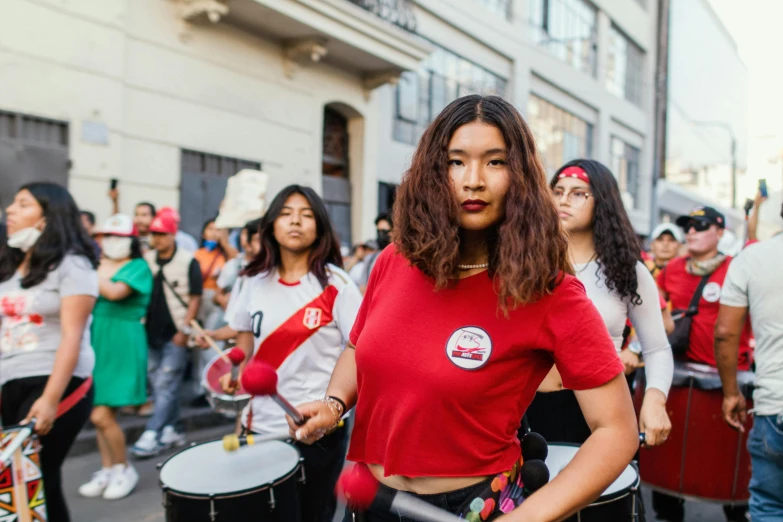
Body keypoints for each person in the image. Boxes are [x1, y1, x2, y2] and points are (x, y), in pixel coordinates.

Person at [289, 96, 638, 521]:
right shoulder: (393, 261)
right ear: (433, 173)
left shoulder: (551, 291)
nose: (473, 180)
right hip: (371, 497)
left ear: (521, 176)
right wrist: (333, 404)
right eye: (456, 162)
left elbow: (617, 432)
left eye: (495, 162)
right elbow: (358, 349)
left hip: (473, 507)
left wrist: (528, 518)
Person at [524, 160, 673, 520]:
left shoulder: (627, 270)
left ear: (602, 201)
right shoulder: (525, 261)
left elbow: (656, 348)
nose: (564, 200)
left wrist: (654, 400)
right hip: (526, 410)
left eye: (578, 193)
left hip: (600, 414)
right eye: (557, 192)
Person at [225, 184, 362, 522]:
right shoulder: (252, 281)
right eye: (285, 214)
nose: (295, 222)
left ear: (320, 226)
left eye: (306, 215)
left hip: (317, 427)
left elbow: (360, 350)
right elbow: (245, 343)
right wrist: (237, 385)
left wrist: (334, 408)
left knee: (312, 515)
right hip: (261, 427)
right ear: (270, 225)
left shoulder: (337, 285)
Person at [0, 183, 98, 522]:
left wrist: (50, 399)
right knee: (29, 481)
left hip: (57, 382)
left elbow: (72, 336)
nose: (10, 210)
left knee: (32, 476)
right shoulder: (11, 266)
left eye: (23, 204)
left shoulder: (74, 266)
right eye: (13, 203)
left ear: (48, 218)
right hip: (10, 381)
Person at [655, 206, 752, 522]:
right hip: (680, 380)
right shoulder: (672, 269)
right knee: (670, 470)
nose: (692, 231)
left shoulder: (738, 268)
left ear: (721, 232)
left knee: (730, 475)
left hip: (728, 382)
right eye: (689, 226)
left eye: (702, 225)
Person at [78, 214, 153, 500]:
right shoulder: (100, 265)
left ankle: (123, 468)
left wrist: (92, 266)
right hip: (96, 339)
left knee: (102, 414)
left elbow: (113, 292)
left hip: (123, 340)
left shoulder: (138, 266)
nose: (113, 242)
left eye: (120, 237)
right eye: (108, 236)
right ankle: (108, 468)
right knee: (98, 412)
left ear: (132, 241)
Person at [715, 221, 783, 522]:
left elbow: (725, 333)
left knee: (769, 506)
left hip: (774, 404)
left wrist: (731, 393)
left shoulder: (752, 258)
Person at [131, 207, 203, 458]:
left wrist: (184, 329)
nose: (157, 238)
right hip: (149, 332)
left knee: (166, 382)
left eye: (162, 233)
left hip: (176, 333)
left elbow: (195, 298)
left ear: (173, 234)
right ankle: (173, 428)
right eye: (154, 234)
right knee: (160, 383)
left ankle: (152, 431)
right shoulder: (146, 260)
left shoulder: (188, 260)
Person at [357, 214, 392, 293]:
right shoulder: (371, 258)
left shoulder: (400, 257)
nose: (381, 235)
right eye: (378, 231)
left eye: (384, 231)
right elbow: (363, 286)